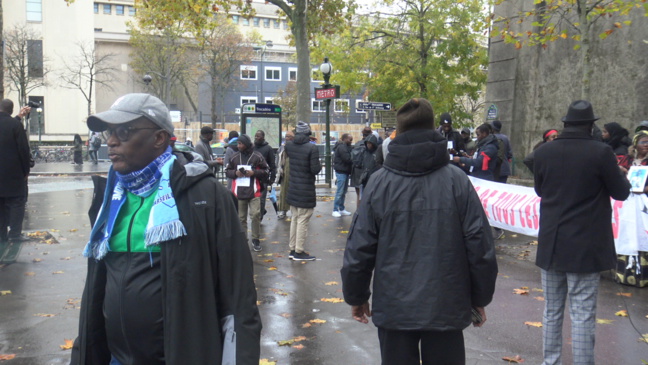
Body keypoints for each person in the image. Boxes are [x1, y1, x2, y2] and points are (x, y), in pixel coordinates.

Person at [70, 93, 261, 365]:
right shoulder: (110, 196)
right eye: (110, 132)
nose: (111, 141)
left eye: (124, 131)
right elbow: (96, 292)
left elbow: (238, 296)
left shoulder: (206, 196)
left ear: (159, 138)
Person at [341, 98, 498, 365]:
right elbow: (479, 245)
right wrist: (479, 297)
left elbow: (360, 246)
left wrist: (356, 295)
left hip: (394, 304)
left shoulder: (379, 182)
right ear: (434, 128)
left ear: (398, 133)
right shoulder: (457, 180)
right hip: (446, 303)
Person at [533, 100, 630, 365]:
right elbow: (621, 192)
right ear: (590, 126)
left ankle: (550, 362)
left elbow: (541, 190)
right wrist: (621, 174)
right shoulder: (600, 153)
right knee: (583, 313)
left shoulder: (544, 152)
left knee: (552, 311)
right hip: (585, 247)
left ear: (565, 124)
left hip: (551, 244)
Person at [225, 134, 269, 252]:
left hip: (254, 191)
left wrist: (253, 172)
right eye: (237, 143)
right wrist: (235, 173)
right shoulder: (234, 157)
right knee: (241, 218)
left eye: (240, 143)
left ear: (246, 144)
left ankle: (256, 239)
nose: (238, 146)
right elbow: (227, 171)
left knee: (255, 215)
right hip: (239, 192)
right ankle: (243, 240)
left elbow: (266, 170)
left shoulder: (257, 156)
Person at [616, 130, 648, 287]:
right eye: (643, 142)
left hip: (644, 206)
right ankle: (625, 274)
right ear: (635, 144)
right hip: (628, 204)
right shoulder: (626, 160)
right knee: (627, 236)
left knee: (642, 238)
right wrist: (622, 172)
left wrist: (644, 189)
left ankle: (642, 276)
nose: (646, 145)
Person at [285, 121, 321, 261]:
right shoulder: (312, 149)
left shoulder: (289, 146)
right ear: (308, 133)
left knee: (295, 218)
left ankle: (292, 248)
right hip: (305, 188)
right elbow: (315, 169)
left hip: (293, 187)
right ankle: (299, 251)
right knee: (303, 219)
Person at [0, 99, 31, 243]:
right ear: (11, 110)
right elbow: (23, 150)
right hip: (13, 173)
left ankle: (1, 235)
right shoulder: (15, 125)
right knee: (17, 203)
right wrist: (25, 171)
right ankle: (14, 234)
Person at [253, 130, 276, 220]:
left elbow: (272, 164)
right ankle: (260, 212)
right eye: (255, 136)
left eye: (258, 136)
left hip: (263, 178)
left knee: (261, 199)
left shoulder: (268, 149)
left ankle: (260, 217)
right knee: (254, 199)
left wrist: (272, 178)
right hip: (253, 177)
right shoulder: (252, 147)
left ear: (263, 137)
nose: (256, 137)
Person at [332, 133, 353, 217]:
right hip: (342, 171)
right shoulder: (342, 147)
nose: (351, 141)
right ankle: (335, 209)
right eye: (349, 139)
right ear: (344, 139)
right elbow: (347, 158)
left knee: (343, 191)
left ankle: (341, 208)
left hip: (344, 170)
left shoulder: (343, 146)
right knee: (340, 191)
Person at [351, 127, 372, 206]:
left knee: (359, 195)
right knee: (367, 195)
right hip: (366, 172)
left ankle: (358, 213)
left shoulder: (357, 144)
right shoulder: (370, 145)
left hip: (356, 171)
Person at [276, 132, 294, 220]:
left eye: (289, 136)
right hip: (284, 173)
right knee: (283, 191)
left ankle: (292, 209)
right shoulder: (282, 148)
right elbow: (278, 160)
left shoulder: (295, 148)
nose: (287, 138)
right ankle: (282, 209)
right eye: (286, 136)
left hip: (294, 173)